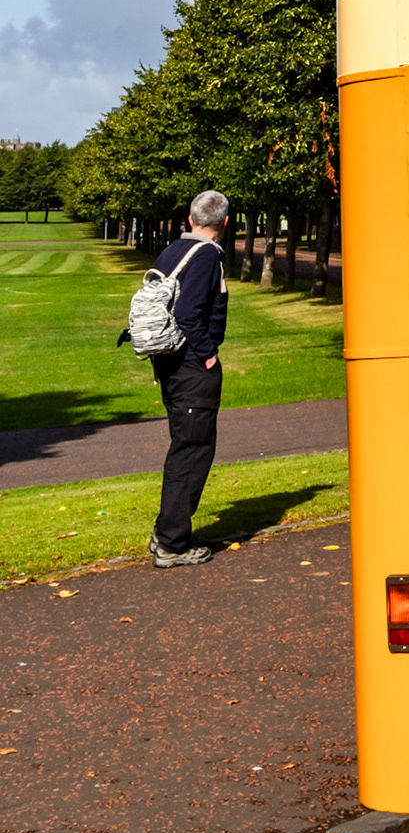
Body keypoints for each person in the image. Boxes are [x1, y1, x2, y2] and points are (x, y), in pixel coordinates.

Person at [148, 191, 231, 567]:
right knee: (193, 450)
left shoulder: (172, 252)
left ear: (190, 218)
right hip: (191, 367)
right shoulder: (207, 256)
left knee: (185, 446)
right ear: (225, 222)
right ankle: (172, 543)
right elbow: (187, 313)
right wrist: (208, 354)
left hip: (169, 363)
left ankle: (167, 532)